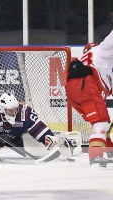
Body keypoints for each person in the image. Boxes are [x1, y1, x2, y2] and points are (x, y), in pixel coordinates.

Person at [0, 92, 75, 160]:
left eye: (15, 109)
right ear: (1, 109)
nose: (14, 113)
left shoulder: (25, 113)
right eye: (10, 110)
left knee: (31, 138)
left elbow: (41, 131)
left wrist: (55, 144)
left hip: (14, 139)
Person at [65, 31, 113, 168]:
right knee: (101, 122)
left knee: (100, 122)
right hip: (86, 85)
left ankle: (110, 151)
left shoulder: (95, 63)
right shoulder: (101, 50)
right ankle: (96, 157)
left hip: (72, 90)